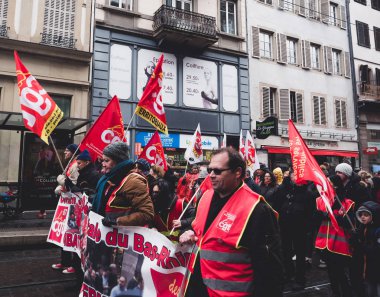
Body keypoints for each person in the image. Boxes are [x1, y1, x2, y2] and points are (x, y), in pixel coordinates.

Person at [179, 147, 283, 297]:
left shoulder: (257, 209)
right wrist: (188, 232)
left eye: (218, 171)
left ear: (238, 172)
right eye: (210, 170)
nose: (211, 175)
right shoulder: (205, 197)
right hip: (198, 288)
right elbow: (199, 230)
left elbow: (270, 271)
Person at [92, 142, 154, 227]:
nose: (103, 164)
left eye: (107, 160)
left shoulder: (133, 181)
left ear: (118, 162)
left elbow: (147, 214)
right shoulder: (109, 177)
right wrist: (91, 198)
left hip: (124, 236)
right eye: (103, 160)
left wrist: (118, 221)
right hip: (105, 234)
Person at [275, 171, 316, 291]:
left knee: (300, 254)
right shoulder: (283, 189)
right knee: (285, 251)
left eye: (298, 176)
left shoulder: (307, 193)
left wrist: (308, 227)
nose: (296, 178)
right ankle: (288, 273)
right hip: (284, 226)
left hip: (300, 228)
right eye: (294, 175)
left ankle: (300, 279)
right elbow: (277, 205)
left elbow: (311, 212)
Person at [315, 175, 355, 297]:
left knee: (340, 272)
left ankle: (347, 293)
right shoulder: (320, 201)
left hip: (339, 243)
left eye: (330, 183)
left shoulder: (347, 203)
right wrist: (324, 215)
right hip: (324, 243)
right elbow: (313, 220)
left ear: (336, 186)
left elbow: (349, 223)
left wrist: (333, 216)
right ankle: (336, 293)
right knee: (331, 272)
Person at [351, 201, 380, 297]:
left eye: (366, 215)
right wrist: (354, 237)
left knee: (375, 288)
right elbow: (355, 244)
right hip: (366, 265)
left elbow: (376, 249)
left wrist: (362, 247)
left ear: (373, 216)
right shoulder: (363, 227)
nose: (363, 217)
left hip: (376, 266)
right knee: (369, 288)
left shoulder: (377, 230)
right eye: (361, 214)